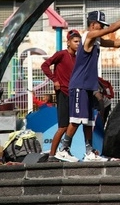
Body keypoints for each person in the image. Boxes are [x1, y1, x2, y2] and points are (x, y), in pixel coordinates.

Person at [55, 8, 120, 162]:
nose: (102, 27)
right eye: (101, 25)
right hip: (79, 85)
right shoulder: (88, 35)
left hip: (88, 86)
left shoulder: (97, 41)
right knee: (76, 120)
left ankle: (89, 152)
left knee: (88, 121)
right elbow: (113, 28)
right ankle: (63, 148)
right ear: (93, 24)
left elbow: (117, 43)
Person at [40, 28, 80, 158]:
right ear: (68, 42)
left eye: (79, 41)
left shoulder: (78, 58)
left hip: (74, 94)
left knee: (72, 125)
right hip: (63, 92)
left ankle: (65, 151)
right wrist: (55, 80)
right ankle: (52, 155)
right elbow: (45, 65)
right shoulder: (61, 54)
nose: (78, 44)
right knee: (62, 126)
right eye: (75, 41)